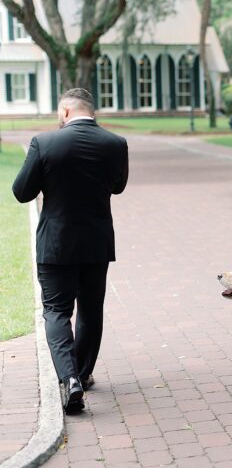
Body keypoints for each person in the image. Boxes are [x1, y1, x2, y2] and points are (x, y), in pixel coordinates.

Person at [12, 88, 129, 414]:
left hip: (57, 242)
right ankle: (82, 372)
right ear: (91, 111)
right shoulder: (116, 143)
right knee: (91, 310)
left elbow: (22, 191)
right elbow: (118, 186)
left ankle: (69, 378)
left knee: (56, 311)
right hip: (96, 241)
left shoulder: (45, 143)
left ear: (65, 112)